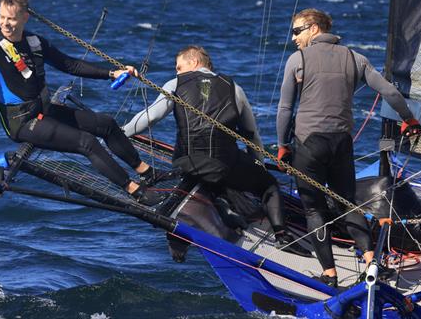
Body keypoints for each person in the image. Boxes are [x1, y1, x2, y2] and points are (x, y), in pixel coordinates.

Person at [0, 0, 166, 205]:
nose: (5, 24)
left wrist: (111, 73)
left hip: (46, 111)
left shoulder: (35, 42)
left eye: (11, 19)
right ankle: (135, 191)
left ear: (25, 17)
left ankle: (146, 172)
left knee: (106, 123)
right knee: (87, 142)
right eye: (2, 17)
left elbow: (70, 65)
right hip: (22, 123)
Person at [276, 8, 421, 287]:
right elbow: (390, 92)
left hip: (308, 144)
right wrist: (409, 119)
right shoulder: (356, 58)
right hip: (341, 143)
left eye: (297, 31)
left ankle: (329, 274)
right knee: (347, 203)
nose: (293, 38)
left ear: (314, 29)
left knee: (314, 210)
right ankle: (370, 261)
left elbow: (284, 109)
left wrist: (282, 146)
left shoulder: (298, 60)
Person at [122, 45, 296, 248]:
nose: (176, 71)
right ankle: (282, 236)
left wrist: (120, 132)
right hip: (224, 164)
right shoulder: (233, 87)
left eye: (178, 67)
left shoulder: (176, 83)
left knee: (204, 176)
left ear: (194, 62)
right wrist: (258, 166)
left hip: (188, 164)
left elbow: (150, 117)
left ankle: (209, 214)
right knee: (269, 185)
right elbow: (251, 135)